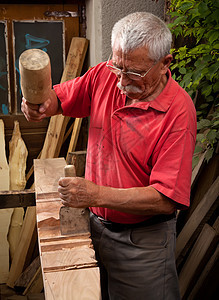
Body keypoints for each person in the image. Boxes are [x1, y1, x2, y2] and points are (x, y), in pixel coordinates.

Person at [22, 12, 197, 300]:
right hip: (92, 227)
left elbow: (166, 199)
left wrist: (95, 195)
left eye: (135, 73)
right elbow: (60, 99)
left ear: (166, 63)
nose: (121, 81)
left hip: (141, 244)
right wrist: (40, 104)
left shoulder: (178, 113)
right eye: (118, 67)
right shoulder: (106, 75)